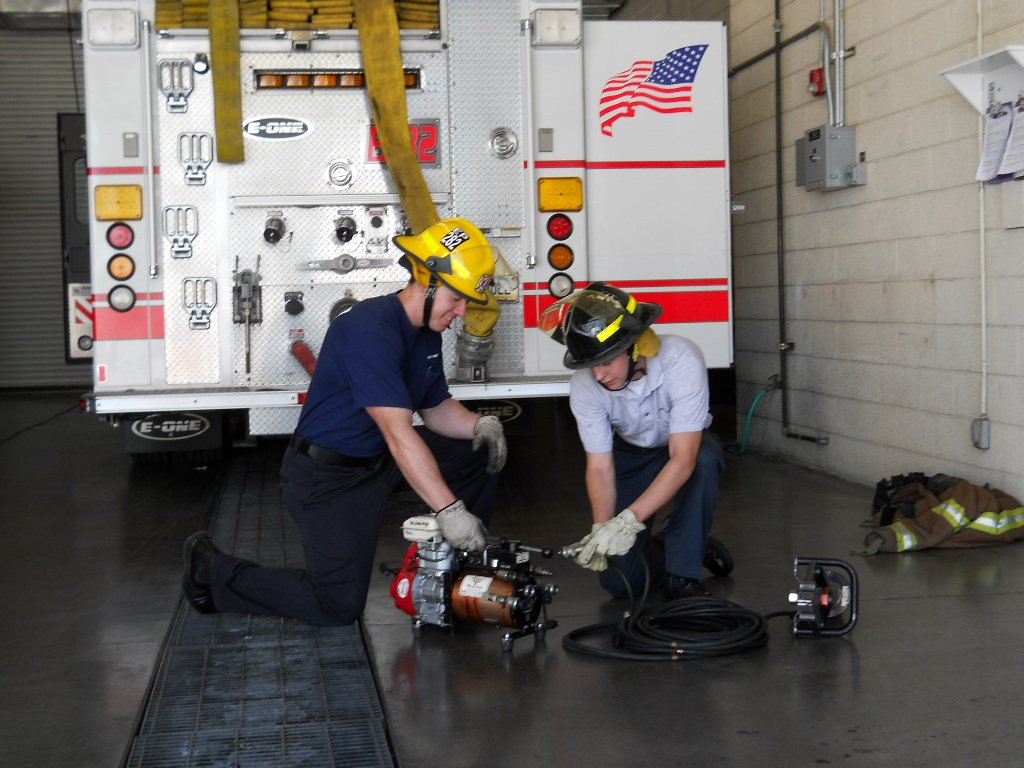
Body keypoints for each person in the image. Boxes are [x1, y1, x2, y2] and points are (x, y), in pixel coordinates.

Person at [182, 217, 508, 626]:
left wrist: (480, 426)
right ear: (426, 284)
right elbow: (398, 433)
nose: (461, 313)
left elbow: (435, 406)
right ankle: (211, 572)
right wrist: (449, 508)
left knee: (475, 452)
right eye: (456, 300)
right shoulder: (370, 330)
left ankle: (455, 580)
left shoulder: (426, 333)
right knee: (337, 605)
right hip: (328, 478)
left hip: (376, 461)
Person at [540, 281, 731, 600]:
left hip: (682, 448)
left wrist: (629, 520)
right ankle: (683, 544)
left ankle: (682, 573)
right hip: (631, 454)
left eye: (604, 361)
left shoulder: (681, 359)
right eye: (590, 365)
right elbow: (600, 467)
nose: (598, 375)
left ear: (633, 347)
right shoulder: (585, 387)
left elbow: (683, 458)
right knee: (621, 583)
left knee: (705, 459)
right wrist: (603, 528)